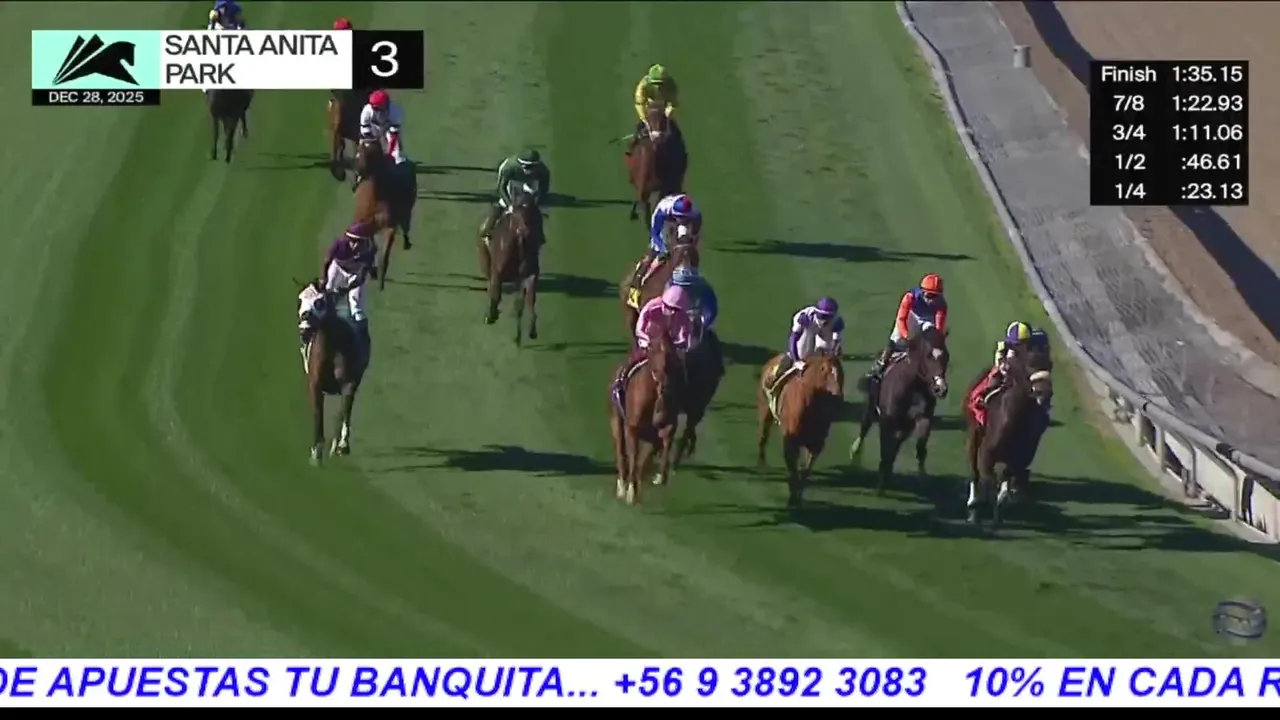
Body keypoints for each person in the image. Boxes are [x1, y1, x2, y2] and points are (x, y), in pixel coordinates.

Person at [613, 285, 694, 398]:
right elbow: (640, 328)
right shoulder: (651, 307)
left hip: (671, 345)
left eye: (675, 309)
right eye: (669, 307)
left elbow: (686, 335)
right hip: (649, 340)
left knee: (685, 366)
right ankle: (620, 381)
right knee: (636, 357)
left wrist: (678, 344)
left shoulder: (683, 316)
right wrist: (647, 340)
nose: (672, 312)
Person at [867, 273, 949, 381]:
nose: (932, 300)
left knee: (932, 342)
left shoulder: (942, 304)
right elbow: (901, 319)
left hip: (928, 320)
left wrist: (936, 339)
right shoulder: (910, 297)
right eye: (929, 296)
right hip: (911, 315)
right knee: (896, 338)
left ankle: (935, 374)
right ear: (922, 291)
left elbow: (938, 326)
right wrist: (906, 336)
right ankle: (881, 363)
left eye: (935, 296)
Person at [321, 221, 377, 361]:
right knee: (328, 292)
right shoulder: (339, 244)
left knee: (356, 303)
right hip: (338, 267)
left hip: (354, 274)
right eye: (352, 241)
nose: (355, 245)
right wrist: (324, 278)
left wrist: (345, 289)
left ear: (364, 242)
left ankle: (362, 338)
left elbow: (360, 278)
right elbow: (327, 261)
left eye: (359, 242)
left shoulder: (368, 252)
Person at [767, 298, 844, 397]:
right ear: (817, 313)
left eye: (829, 317)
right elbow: (793, 339)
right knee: (803, 353)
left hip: (826, 332)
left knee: (829, 356)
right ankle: (776, 374)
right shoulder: (804, 318)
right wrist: (796, 360)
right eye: (823, 316)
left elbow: (835, 343)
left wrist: (834, 352)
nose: (826, 320)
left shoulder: (837, 322)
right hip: (808, 328)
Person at [629, 193, 701, 291]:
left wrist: (691, 244)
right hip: (665, 221)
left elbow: (696, 233)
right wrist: (662, 249)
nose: (681, 219)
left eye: (683, 217)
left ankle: (691, 273)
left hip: (682, 219)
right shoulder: (662, 211)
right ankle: (637, 281)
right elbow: (655, 233)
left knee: (686, 244)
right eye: (679, 217)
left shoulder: (695, 214)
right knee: (654, 252)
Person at [481, 150, 552, 243]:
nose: (529, 170)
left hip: (530, 182)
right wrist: (509, 205)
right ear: (520, 164)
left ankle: (540, 234)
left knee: (538, 209)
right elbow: (501, 188)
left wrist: (536, 202)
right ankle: (488, 229)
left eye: (532, 167)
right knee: (502, 203)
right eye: (526, 167)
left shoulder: (544, 171)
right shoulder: (509, 167)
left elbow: (543, 190)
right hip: (512, 180)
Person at [669, 265, 722, 373]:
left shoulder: (704, 290)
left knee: (712, 341)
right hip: (676, 320)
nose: (684, 289)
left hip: (697, 320)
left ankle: (718, 367)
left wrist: (704, 323)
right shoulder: (669, 288)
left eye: (687, 286)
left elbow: (711, 310)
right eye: (681, 286)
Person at [355, 89, 406, 187]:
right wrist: (373, 147)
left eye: (377, 108)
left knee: (397, 154)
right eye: (373, 107)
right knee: (362, 152)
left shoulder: (395, 112)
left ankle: (400, 178)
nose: (374, 110)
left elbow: (393, 137)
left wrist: (389, 154)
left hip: (388, 128)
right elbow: (366, 135)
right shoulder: (366, 111)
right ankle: (359, 175)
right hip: (373, 130)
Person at [629, 64, 680, 152]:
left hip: (664, 105)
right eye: (654, 83)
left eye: (660, 84)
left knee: (675, 131)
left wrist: (669, 111)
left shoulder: (671, 85)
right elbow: (639, 104)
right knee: (639, 128)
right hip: (649, 106)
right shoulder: (643, 86)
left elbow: (674, 103)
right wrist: (644, 119)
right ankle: (632, 150)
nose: (657, 86)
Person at [978, 321, 1032, 403]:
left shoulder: (1029, 351)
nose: (1018, 346)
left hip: (1021, 375)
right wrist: (1004, 369)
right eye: (1017, 344)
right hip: (1005, 373)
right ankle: (984, 395)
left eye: (1021, 343)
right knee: (994, 377)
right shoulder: (1006, 350)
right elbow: (1000, 362)